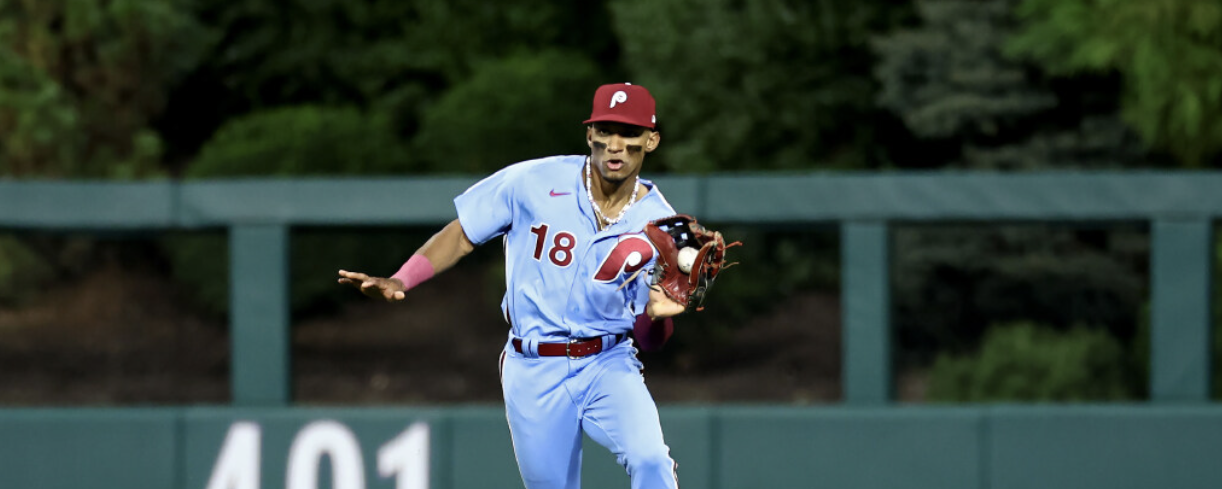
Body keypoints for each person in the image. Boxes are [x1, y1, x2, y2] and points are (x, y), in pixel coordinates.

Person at [338, 82, 685, 489]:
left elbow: (652, 339)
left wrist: (656, 315)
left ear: (651, 140)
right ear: (589, 133)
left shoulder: (661, 227)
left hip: (606, 363)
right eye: (605, 129)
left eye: (628, 132)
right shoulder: (534, 180)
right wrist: (401, 278)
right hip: (533, 366)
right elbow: (462, 234)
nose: (615, 143)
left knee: (651, 461)